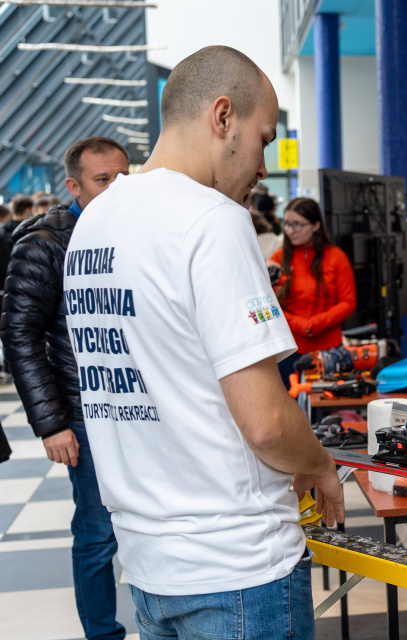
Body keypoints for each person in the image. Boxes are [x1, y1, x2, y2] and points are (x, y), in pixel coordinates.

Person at [62, 46, 344, 639]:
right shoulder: (211, 220)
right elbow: (266, 422)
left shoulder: (95, 222)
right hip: (238, 566)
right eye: (264, 138)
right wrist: (319, 463)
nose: (264, 165)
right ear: (222, 117)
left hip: (147, 564)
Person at [0, 136, 130, 640]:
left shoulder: (133, 230)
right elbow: (19, 334)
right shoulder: (44, 243)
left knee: (149, 526)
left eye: (124, 176)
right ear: (73, 186)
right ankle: (103, 635)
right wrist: (52, 423)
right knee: (98, 534)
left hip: (137, 407)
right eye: (103, 180)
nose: (117, 188)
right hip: (83, 412)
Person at [268, 197, 356, 387]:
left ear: (316, 225)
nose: (290, 231)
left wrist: (316, 323)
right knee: (291, 405)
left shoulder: (336, 257)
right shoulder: (278, 259)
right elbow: (269, 305)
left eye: (298, 225)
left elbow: (348, 302)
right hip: (289, 348)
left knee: (327, 407)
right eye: (287, 224)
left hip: (328, 348)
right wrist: (300, 324)